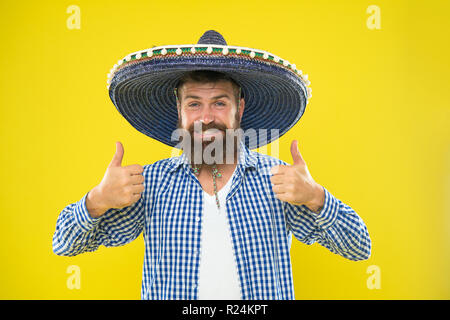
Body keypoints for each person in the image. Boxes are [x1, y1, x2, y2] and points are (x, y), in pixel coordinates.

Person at [52, 30, 371, 300]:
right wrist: (96, 202)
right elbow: (64, 244)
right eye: (194, 104)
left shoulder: (280, 181)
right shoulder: (150, 184)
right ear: (179, 111)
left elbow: (359, 248)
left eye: (219, 102)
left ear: (239, 109)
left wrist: (316, 197)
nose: (206, 118)